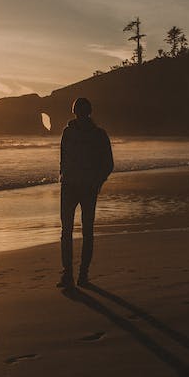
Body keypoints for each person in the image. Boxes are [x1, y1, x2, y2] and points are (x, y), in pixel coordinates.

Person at [58, 97, 114, 288]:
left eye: (82, 111)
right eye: (79, 111)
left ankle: (79, 275)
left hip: (84, 187)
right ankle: (72, 275)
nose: (80, 115)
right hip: (72, 186)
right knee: (71, 232)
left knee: (79, 232)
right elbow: (63, 160)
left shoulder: (97, 134)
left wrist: (97, 181)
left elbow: (108, 164)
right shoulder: (69, 133)